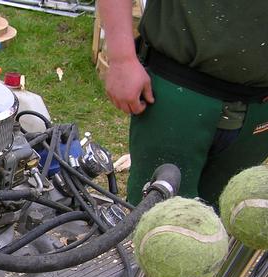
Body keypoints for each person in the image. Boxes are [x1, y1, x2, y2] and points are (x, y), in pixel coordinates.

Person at [98, 0, 268, 207]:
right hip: (178, 90)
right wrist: (121, 58)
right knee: (156, 221)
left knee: (232, 223)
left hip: (259, 110)